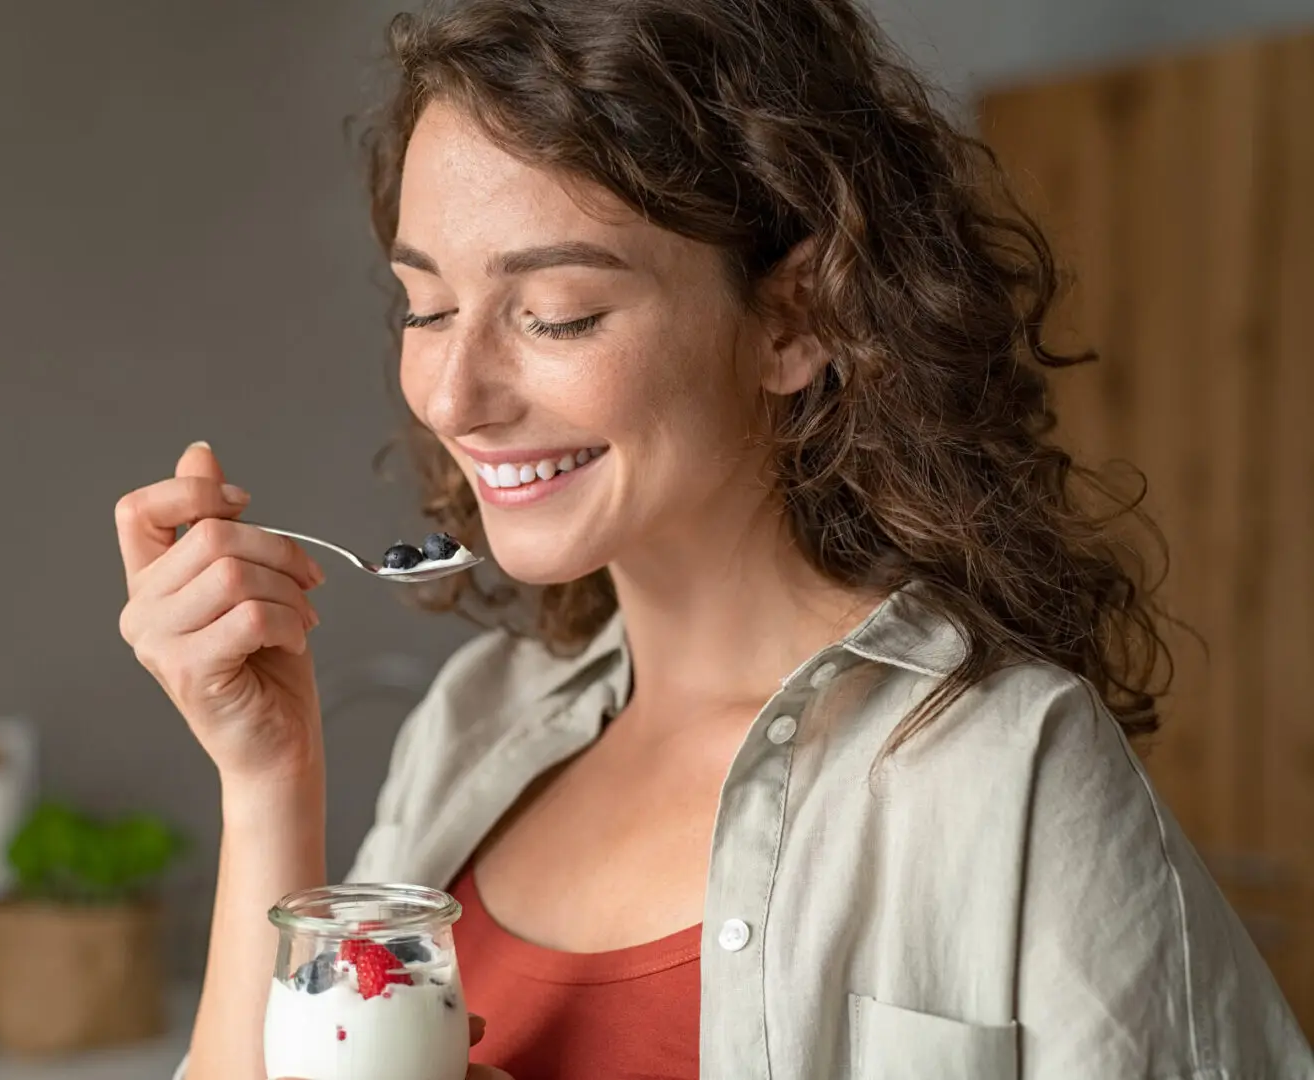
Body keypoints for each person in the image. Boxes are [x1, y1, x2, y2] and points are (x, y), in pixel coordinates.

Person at [115, 1, 1314, 1077]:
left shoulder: (1009, 775)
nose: (453, 394)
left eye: (556, 315)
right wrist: (269, 779)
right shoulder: (474, 724)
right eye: (426, 306)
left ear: (798, 318)